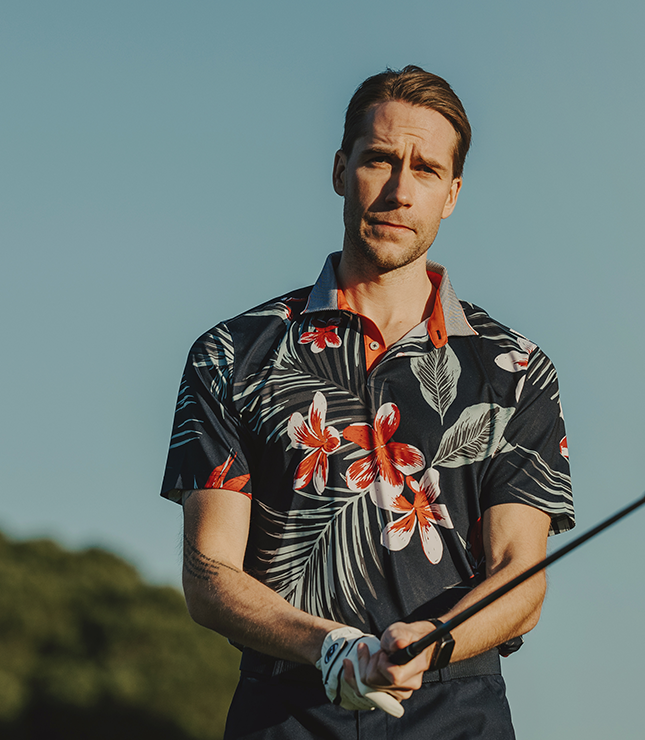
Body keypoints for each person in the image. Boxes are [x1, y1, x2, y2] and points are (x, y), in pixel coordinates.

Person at [160, 65, 574, 739]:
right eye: (379, 160)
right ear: (338, 169)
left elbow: (520, 578)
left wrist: (432, 642)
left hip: (455, 706)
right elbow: (210, 572)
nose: (399, 190)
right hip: (288, 705)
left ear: (452, 195)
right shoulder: (231, 354)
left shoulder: (515, 369)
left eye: (426, 170)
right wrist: (333, 648)